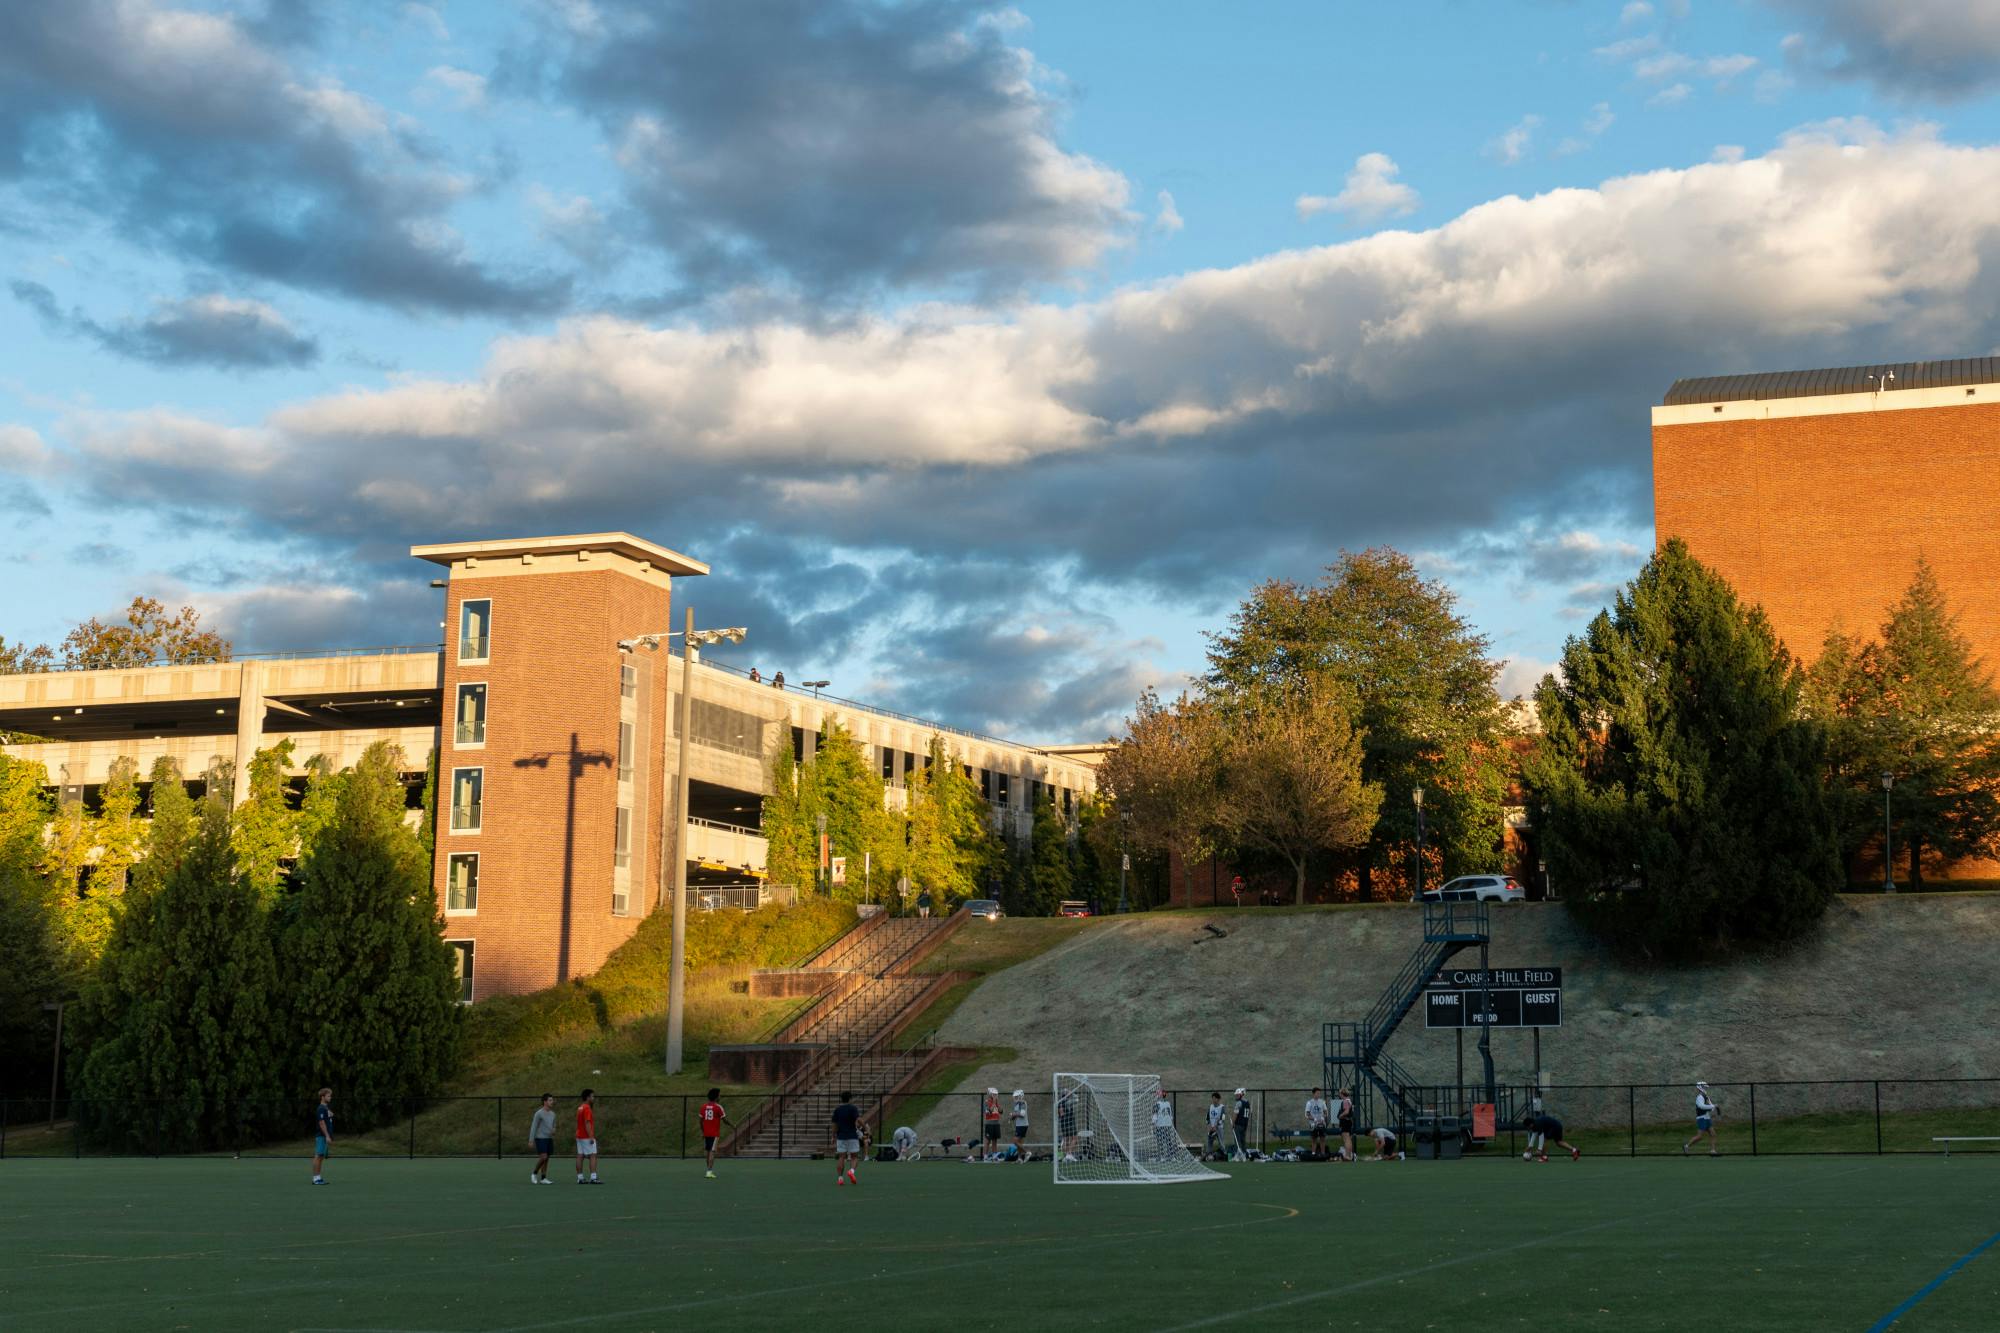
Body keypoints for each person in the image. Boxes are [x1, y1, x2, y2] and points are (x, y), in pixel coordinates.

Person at [831, 1090, 863, 1185]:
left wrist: (833, 1136)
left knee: (841, 1157)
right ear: (850, 1098)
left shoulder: (837, 1110)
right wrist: (866, 1128)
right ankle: (851, 1171)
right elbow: (859, 1119)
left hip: (841, 1136)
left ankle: (840, 1178)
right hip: (852, 1136)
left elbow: (834, 1125)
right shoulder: (853, 1108)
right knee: (854, 1157)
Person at [1683, 1081, 1722, 1156]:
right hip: (1701, 1118)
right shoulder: (1699, 1097)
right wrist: (1713, 1106)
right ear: (1700, 1088)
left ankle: (1713, 1151)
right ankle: (1686, 1146)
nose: (1705, 1089)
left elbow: (1711, 1106)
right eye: (1704, 1087)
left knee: (1713, 1134)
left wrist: (1714, 1107)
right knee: (1699, 1136)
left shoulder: (1706, 1096)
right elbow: (1702, 1106)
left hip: (1707, 1118)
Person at [699, 1088, 729, 1179]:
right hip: (714, 1134)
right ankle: (709, 1171)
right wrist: (731, 1124)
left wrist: (703, 1131)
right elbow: (724, 1120)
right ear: (716, 1097)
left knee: (707, 1151)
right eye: (719, 1095)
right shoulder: (718, 1107)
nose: (720, 1096)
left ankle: (708, 1170)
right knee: (712, 1152)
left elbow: (700, 1121)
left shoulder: (703, 1107)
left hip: (706, 1133)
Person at [529, 1093, 557, 1184]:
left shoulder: (553, 1114)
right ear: (545, 1102)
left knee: (547, 1158)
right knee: (543, 1157)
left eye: (552, 1100)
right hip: (540, 1138)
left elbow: (554, 1125)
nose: (552, 1102)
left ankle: (543, 1178)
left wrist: (554, 1129)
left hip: (549, 1138)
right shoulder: (539, 1113)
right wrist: (531, 1140)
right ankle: (534, 1173)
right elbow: (534, 1127)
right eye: (550, 1100)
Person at [575, 1089, 601, 1184]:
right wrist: (591, 1136)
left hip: (579, 1135)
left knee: (580, 1155)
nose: (593, 1098)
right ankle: (593, 1178)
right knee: (593, 1155)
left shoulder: (580, 1107)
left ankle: (580, 1178)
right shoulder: (587, 1108)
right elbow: (587, 1122)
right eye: (592, 1096)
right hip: (586, 1136)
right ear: (588, 1097)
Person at [311, 1087, 333, 1185]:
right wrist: (327, 1136)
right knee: (318, 1156)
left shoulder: (325, 1108)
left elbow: (327, 1118)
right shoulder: (320, 1108)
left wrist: (330, 1114)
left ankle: (318, 1177)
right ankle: (315, 1178)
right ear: (323, 1097)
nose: (330, 1097)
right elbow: (321, 1123)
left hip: (324, 1136)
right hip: (321, 1136)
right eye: (328, 1096)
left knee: (321, 1157)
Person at [1150, 1089, 1179, 1159]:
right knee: (1165, 1142)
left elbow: (1155, 1116)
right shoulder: (1164, 1104)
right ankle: (1166, 1156)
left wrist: (1153, 1125)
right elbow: (1170, 1116)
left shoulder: (1161, 1104)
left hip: (1163, 1125)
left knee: (1164, 1142)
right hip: (1164, 1126)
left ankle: (1166, 1156)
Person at [1304, 1087, 1330, 1158]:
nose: (1318, 1095)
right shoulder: (1309, 1102)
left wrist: (1323, 1117)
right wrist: (1314, 1119)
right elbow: (1307, 1114)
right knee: (1314, 1139)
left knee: (1322, 1138)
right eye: (1317, 1093)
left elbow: (1326, 1112)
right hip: (1313, 1124)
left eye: (1319, 1093)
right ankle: (1313, 1154)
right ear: (1313, 1093)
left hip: (1321, 1123)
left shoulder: (1322, 1102)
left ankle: (1323, 1154)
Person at [1335, 1087, 1356, 1162]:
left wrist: (1340, 1116)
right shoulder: (1349, 1100)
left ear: (1342, 1094)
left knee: (1346, 1139)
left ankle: (1347, 1155)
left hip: (1345, 1121)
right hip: (1349, 1121)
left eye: (1340, 1093)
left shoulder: (1345, 1101)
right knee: (1348, 1139)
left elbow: (1346, 1112)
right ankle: (1349, 1155)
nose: (1339, 1095)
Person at [981, 1087, 1003, 1159]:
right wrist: (994, 1103)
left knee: (995, 1140)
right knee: (987, 1141)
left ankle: (994, 1155)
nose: (995, 1096)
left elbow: (1001, 1111)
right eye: (994, 1094)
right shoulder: (986, 1102)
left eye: (996, 1094)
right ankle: (985, 1155)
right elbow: (989, 1112)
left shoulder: (996, 1102)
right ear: (990, 1094)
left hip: (996, 1123)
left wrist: (997, 1103)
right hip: (989, 1124)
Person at [1231, 1088, 1253, 1160]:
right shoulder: (1247, 1102)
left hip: (1238, 1124)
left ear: (1241, 1095)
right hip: (1244, 1124)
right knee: (1243, 1140)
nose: (1236, 1096)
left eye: (1237, 1095)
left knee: (1237, 1140)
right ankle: (1243, 1154)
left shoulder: (1239, 1103)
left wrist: (1233, 1123)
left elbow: (1235, 1113)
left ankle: (1238, 1155)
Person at [1205, 1092, 1226, 1159]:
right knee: (1209, 1141)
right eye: (1212, 1098)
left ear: (1218, 1099)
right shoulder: (1210, 1107)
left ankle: (1223, 1155)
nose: (1213, 1100)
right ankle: (1208, 1154)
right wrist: (1209, 1126)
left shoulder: (1222, 1107)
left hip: (1219, 1128)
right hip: (1211, 1128)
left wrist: (1215, 1126)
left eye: (1215, 1098)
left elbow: (1222, 1118)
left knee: (1221, 1142)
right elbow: (1207, 1118)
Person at [1010, 1089, 1031, 1160]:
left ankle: (1027, 1152)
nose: (1015, 1098)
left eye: (1016, 1097)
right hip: (1019, 1125)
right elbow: (1016, 1115)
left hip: (1023, 1125)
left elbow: (1022, 1114)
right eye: (1015, 1097)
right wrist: (1012, 1117)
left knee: (1015, 1141)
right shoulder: (1016, 1104)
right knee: (1019, 1142)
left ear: (1020, 1096)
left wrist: (1014, 1114)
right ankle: (1019, 1158)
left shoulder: (1022, 1103)